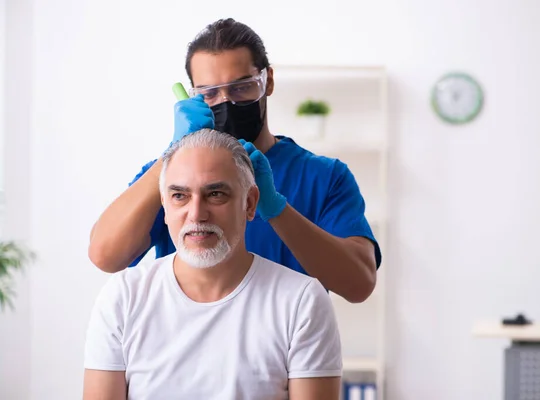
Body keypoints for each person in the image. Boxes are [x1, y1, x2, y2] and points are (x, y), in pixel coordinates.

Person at [88, 18, 382, 303]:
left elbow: (359, 285)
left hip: (283, 346)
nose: (226, 102)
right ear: (193, 97)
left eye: (242, 88)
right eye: (209, 93)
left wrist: (277, 209)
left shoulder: (324, 176)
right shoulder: (173, 174)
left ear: (267, 81)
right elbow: (105, 255)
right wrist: (173, 154)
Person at [83, 129, 343, 399]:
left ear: (250, 203)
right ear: (164, 204)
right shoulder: (124, 298)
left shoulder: (301, 302)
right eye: (179, 196)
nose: (196, 214)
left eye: (216, 194)